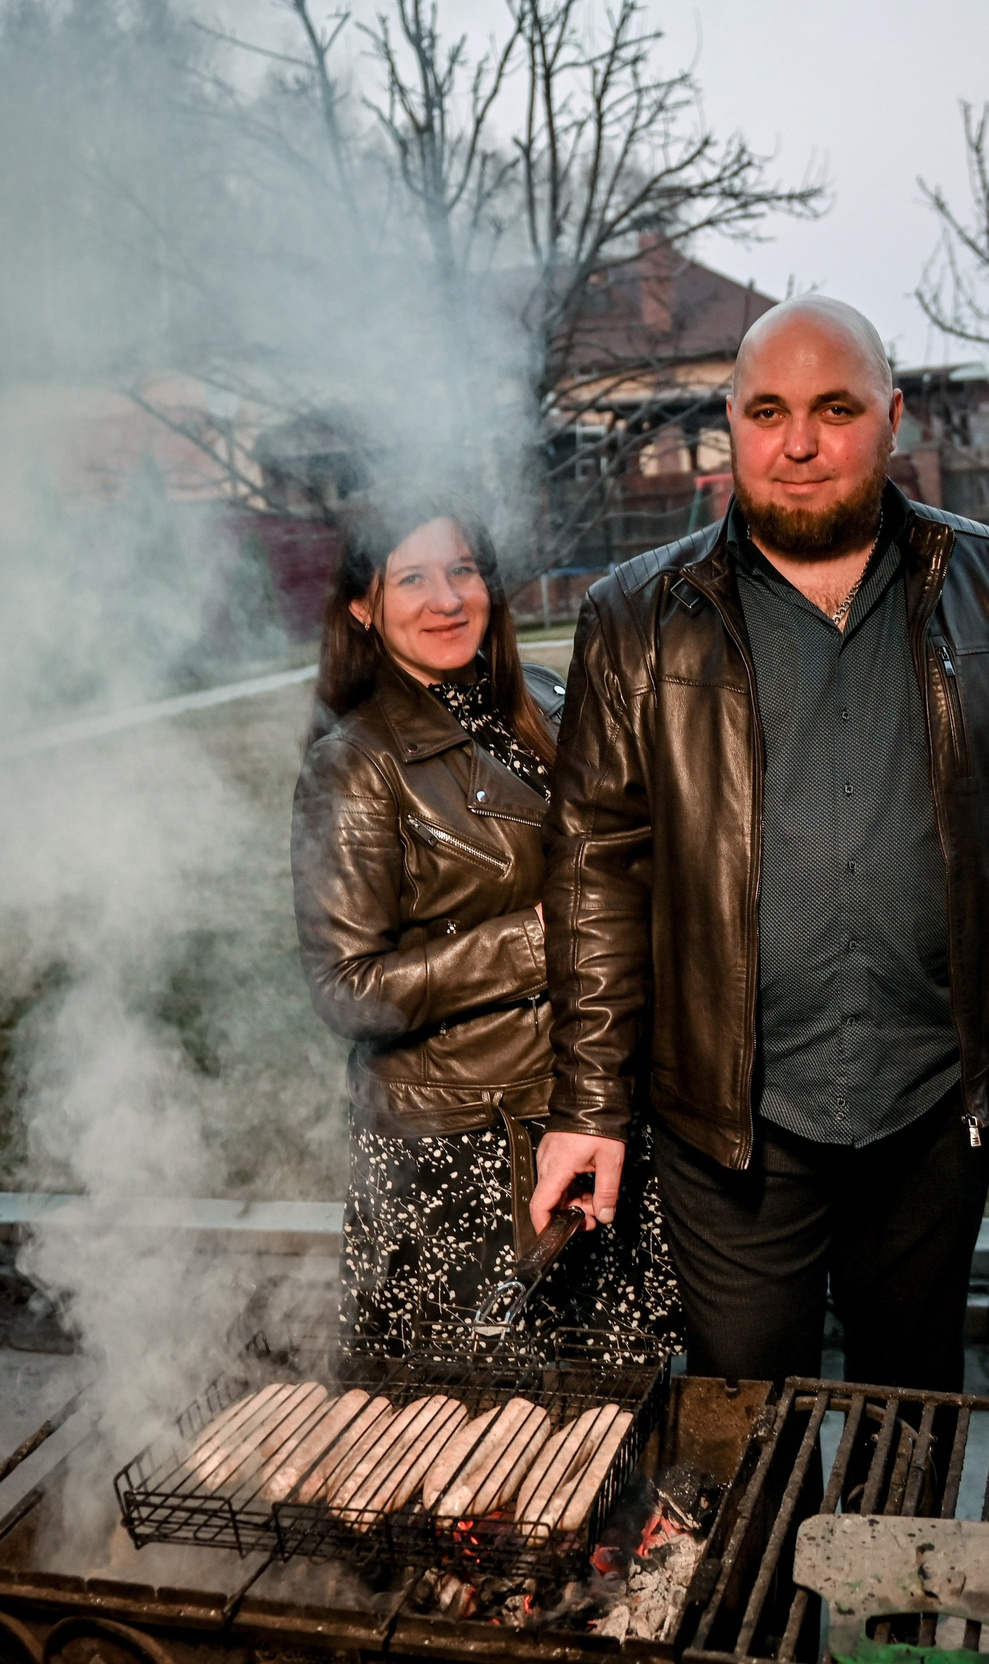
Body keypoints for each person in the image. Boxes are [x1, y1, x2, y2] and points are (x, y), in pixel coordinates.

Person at [530, 297, 989, 1391]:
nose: (798, 442)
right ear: (730, 421)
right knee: (741, 1409)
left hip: (932, 1097)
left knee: (908, 1392)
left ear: (894, 416)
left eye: (834, 408)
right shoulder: (634, 614)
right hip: (732, 1116)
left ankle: (893, 1570)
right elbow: (593, 875)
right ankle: (768, 1572)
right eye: (767, 410)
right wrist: (588, 1104)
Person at [291, 499, 680, 1353]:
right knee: (470, 1435)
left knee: (598, 1418)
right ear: (364, 604)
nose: (447, 599)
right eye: (414, 577)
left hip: (587, 1104)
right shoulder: (354, 765)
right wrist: (544, 938)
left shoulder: (538, 696)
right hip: (465, 1150)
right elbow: (347, 991)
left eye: (463, 570)